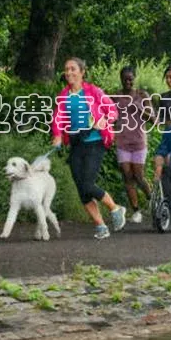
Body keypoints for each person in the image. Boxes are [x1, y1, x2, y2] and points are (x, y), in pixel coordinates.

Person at [52, 58, 126, 239]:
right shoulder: (63, 95)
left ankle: (115, 208)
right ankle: (100, 226)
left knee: (87, 184)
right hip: (76, 144)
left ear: (82, 72)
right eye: (66, 69)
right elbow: (58, 118)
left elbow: (113, 111)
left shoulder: (94, 91)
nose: (69, 72)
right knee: (81, 188)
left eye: (73, 69)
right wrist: (58, 135)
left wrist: (105, 120)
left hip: (94, 141)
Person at [113, 65, 152, 223]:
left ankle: (152, 199)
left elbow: (153, 119)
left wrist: (139, 109)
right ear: (121, 79)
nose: (128, 82)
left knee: (139, 176)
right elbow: (109, 115)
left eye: (130, 79)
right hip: (122, 141)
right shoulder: (116, 96)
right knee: (127, 176)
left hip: (138, 142)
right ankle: (136, 211)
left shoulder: (142, 95)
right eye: (125, 79)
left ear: (134, 78)